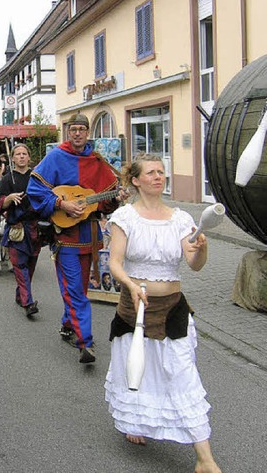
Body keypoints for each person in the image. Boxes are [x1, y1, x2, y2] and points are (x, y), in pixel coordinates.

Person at [104, 153, 221, 473]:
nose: (159, 176)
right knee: (138, 373)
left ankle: (204, 458)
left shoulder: (181, 219)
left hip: (172, 310)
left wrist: (203, 250)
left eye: (162, 172)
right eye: (151, 172)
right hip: (135, 308)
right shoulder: (124, 217)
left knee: (182, 374)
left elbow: (194, 265)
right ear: (136, 180)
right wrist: (129, 283)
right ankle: (135, 420)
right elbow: (115, 262)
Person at [27, 113, 127, 363]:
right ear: (68, 132)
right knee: (75, 290)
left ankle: (68, 325)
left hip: (90, 236)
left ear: (88, 132)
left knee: (79, 288)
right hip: (66, 236)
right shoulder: (56, 157)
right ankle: (87, 343)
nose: (78, 133)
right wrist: (61, 204)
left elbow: (104, 202)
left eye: (82, 129)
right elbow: (35, 190)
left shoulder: (97, 160)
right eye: (74, 129)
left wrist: (115, 198)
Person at [0, 144, 41, 317]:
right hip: (17, 229)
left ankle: (20, 294)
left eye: (24, 154)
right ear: (12, 158)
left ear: (29, 157)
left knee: (30, 266)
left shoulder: (37, 177)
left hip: (35, 229)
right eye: (18, 154)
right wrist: (9, 198)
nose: (21, 157)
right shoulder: (8, 178)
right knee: (20, 266)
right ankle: (28, 303)